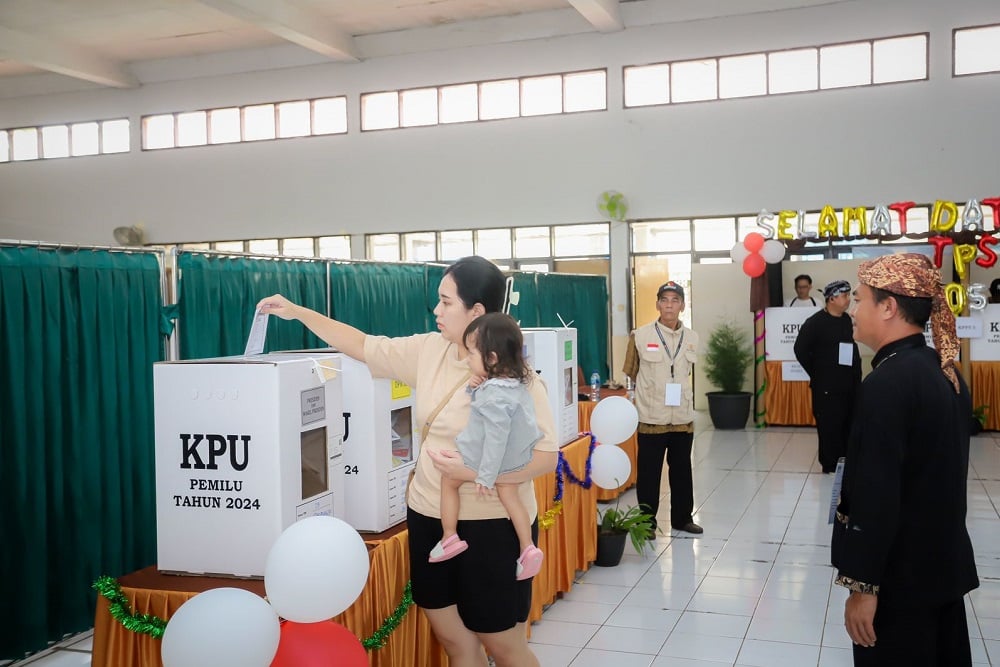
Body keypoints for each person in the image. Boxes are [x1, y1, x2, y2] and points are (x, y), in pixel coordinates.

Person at [258, 256, 557, 667]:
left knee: (503, 644)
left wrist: (474, 473)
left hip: (492, 527)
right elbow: (361, 344)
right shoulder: (429, 350)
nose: (436, 310)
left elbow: (546, 458)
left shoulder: (518, 379)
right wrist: (296, 312)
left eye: (446, 302)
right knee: (455, 641)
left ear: (477, 312)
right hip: (429, 517)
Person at [831, 253, 979, 666]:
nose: (854, 310)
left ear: (889, 306)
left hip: (901, 583)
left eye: (860, 299)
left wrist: (864, 588)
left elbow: (877, 495)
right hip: (939, 571)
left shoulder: (888, 383)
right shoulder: (942, 370)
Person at [431, 312, 545, 582]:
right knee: (511, 496)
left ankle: (449, 536)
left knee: (449, 481)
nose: (468, 359)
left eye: (471, 354)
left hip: (494, 457)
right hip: (517, 456)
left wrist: (486, 474)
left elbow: (495, 436)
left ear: (492, 358)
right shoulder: (513, 384)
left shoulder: (493, 395)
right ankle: (527, 546)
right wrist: (475, 388)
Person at [623, 280, 702, 535]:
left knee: (681, 470)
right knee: (649, 474)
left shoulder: (692, 337)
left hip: (682, 416)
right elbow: (630, 372)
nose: (669, 305)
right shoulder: (640, 335)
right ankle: (646, 524)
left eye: (675, 300)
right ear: (657, 304)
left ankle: (682, 518)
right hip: (651, 416)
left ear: (682, 305)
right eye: (665, 300)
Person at [793, 279, 862, 473]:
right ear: (831, 298)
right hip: (826, 386)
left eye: (849, 295)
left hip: (848, 384)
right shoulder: (815, 323)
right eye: (844, 295)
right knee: (829, 424)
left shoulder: (847, 320)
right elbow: (800, 350)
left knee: (847, 421)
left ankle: (846, 459)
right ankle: (830, 464)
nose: (848, 299)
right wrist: (817, 372)